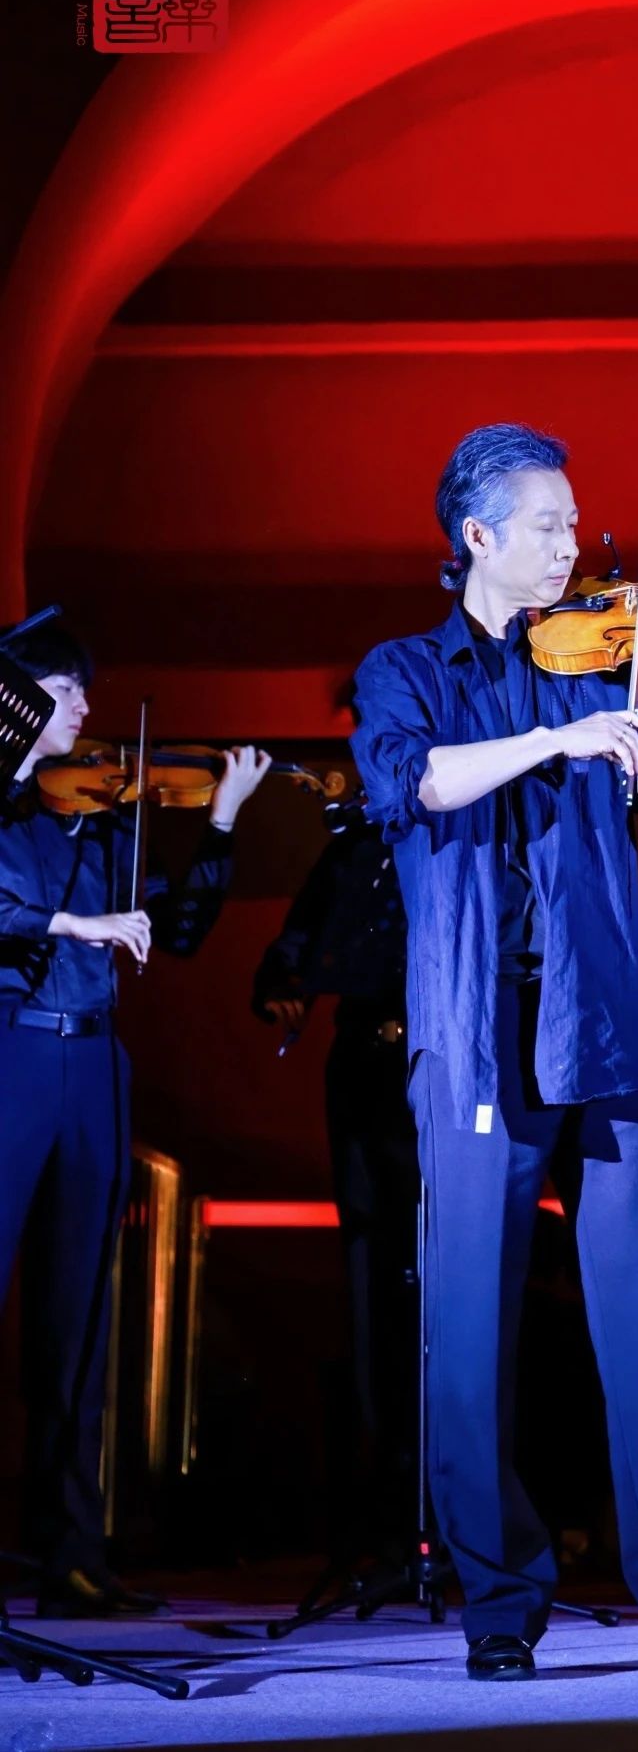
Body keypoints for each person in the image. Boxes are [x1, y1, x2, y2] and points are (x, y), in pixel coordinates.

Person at [351, 422, 638, 1679]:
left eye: (576, 523)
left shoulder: (612, 659)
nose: (575, 544)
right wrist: (554, 743)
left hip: (603, 1024)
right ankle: (499, 1607)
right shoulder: (404, 670)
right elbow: (413, 784)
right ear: (478, 536)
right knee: (470, 1336)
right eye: (549, 525)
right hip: (475, 1033)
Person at [0, 623, 270, 1615]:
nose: (83, 707)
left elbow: (181, 931)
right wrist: (69, 922)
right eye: (63, 690)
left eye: (83, 690)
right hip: (13, 1052)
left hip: (92, 1061)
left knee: (81, 1318)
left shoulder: (108, 824)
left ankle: (71, 1555)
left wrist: (223, 823)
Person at [252, 795, 421, 1568]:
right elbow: (298, 935)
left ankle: (447, 1504)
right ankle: (385, 1507)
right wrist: (281, 979)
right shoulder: (356, 845)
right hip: (364, 1064)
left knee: (438, 1279)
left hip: (439, 1069)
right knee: (370, 1275)